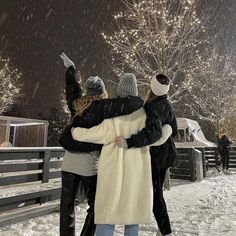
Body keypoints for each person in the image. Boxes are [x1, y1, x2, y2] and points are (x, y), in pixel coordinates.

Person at [71, 73, 172, 236]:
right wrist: (167, 131)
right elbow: (156, 136)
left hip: (114, 173)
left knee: (107, 218)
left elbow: (98, 133)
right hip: (137, 174)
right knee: (132, 219)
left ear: (119, 91)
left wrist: (76, 132)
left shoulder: (114, 114)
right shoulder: (146, 114)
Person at [59, 53, 144, 236]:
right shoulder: (104, 107)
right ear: (101, 91)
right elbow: (126, 102)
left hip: (68, 165)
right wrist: (139, 99)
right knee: (96, 207)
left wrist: (71, 70)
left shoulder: (77, 104)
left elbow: (72, 91)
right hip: (89, 166)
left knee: (66, 208)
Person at [116, 74, 177, 236]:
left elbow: (153, 133)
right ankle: (163, 228)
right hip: (167, 154)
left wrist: (129, 141)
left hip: (157, 157)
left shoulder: (151, 107)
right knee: (156, 193)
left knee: (155, 194)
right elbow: (174, 129)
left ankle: (166, 231)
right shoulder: (167, 104)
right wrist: (167, 131)